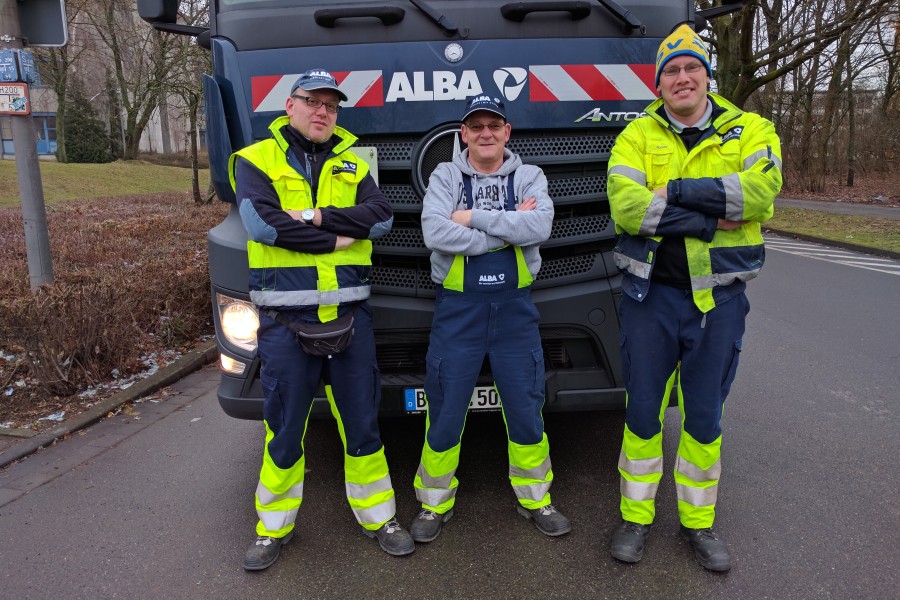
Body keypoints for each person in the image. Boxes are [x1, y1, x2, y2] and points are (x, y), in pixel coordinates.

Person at [606, 24, 783, 571]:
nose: (682, 78)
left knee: (705, 416)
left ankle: (698, 524)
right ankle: (635, 519)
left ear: (707, 75)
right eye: (671, 72)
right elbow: (626, 207)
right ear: (657, 84)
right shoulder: (635, 135)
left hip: (720, 299)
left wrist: (676, 192)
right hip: (650, 297)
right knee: (642, 412)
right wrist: (712, 220)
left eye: (691, 68)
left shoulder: (751, 130)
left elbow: (761, 192)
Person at [230, 68, 414, 570]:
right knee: (285, 429)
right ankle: (272, 529)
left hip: (351, 317)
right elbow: (261, 226)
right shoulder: (254, 159)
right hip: (285, 322)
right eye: (312, 101)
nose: (322, 112)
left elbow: (380, 219)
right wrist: (337, 236)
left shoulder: (353, 164)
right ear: (288, 106)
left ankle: (380, 517)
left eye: (331, 105)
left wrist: (309, 218)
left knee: (362, 424)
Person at [409, 95, 571, 543]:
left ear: (506, 132)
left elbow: (539, 227)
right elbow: (434, 231)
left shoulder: (528, 175)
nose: (485, 133)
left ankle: (536, 498)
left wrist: (474, 219)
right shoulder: (445, 175)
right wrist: (503, 233)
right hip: (458, 311)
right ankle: (433, 503)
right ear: (463, 134)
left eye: (493, 125)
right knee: (444, 407)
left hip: (515, 311)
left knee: (525, 405)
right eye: (476, 126)